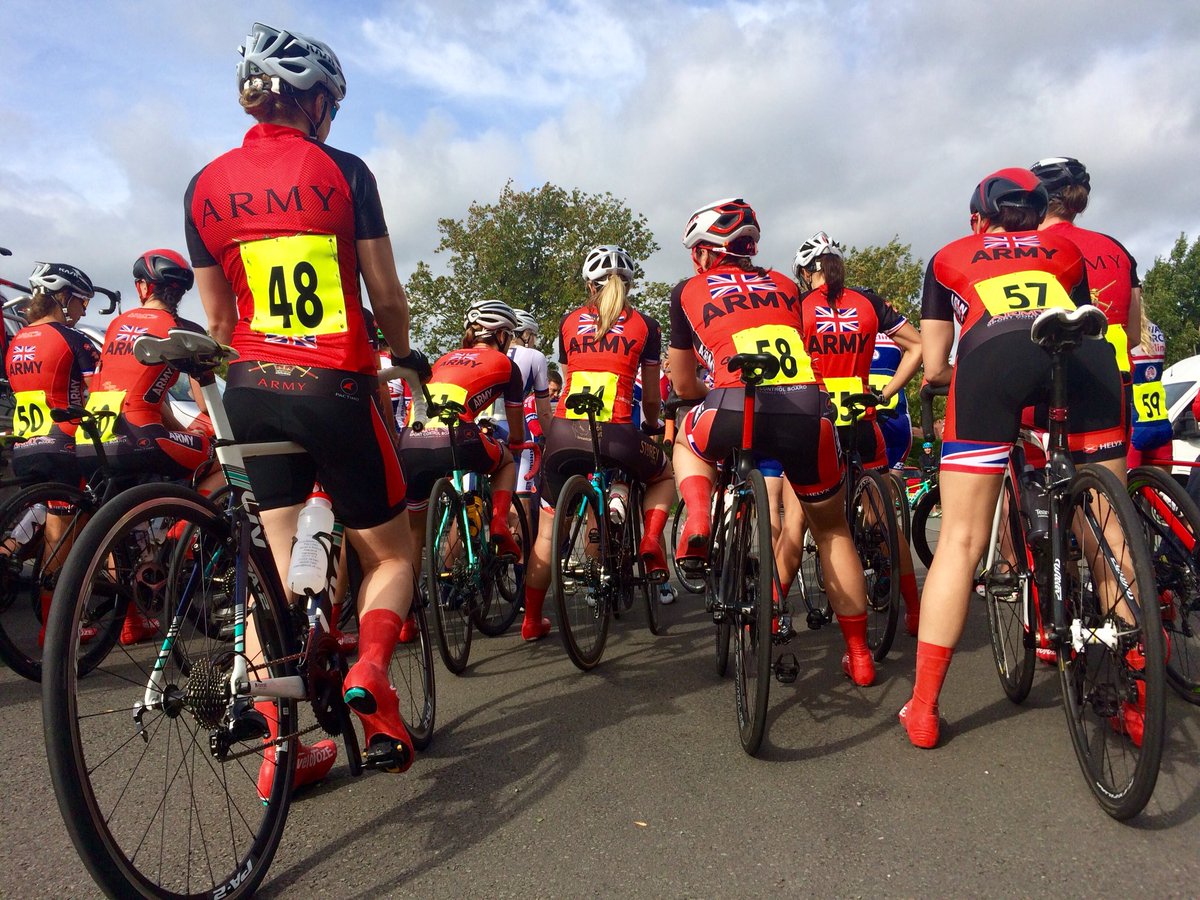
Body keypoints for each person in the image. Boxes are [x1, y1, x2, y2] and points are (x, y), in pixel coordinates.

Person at [186, 22, 430, 795]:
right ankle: (372, 676)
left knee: (281, 576)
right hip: (334, 384)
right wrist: (405, 353)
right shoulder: (344, 170)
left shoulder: (203, 185)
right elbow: (385, 295)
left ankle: (278, 754)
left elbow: (219, 324)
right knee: (390, 553)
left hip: (254, 388)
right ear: (315, 101)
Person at [908, 168, 1126, 749]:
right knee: (1111, 531)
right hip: (1083, 359)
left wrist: (972, 387)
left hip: (989, 359)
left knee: (959, 540)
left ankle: (924, 709)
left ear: (980, 219)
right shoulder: (1063, 248)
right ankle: (1136, 701)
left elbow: (933, 366)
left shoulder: (950, 254)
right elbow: (1071, 327)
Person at [668, 199, 876, 685]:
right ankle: (860, 656)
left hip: (731, 406)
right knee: (831, 532)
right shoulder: (785, 284)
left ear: (704, 254)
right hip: (806, 411)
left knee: (685, 439)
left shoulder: (687, 290)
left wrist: (710, 391)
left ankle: (698, 518)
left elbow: (681, 387)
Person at [519, 245, 675, 640]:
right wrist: (653, 427)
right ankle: (651, 540)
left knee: (547, 533)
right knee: (663, 474)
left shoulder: (569, 321)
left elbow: (569, 378)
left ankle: (531, 620)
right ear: (630, 285)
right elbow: (653, 397)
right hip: (618, 434)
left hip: (566, 433)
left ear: (589, 284)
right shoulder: (646, 326)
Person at [791, 231, 923, 635]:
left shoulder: (798, 306)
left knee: (798, 522)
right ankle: (916, 613)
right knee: (884, 521)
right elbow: (917, 347)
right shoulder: (867, 301)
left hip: (819, 418)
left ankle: (773, 616)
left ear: (803, 272)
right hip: (863, 415)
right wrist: (886, 391)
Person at [5, 263, 100, 646]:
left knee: (49, 522)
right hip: (65, 444)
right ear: (62, 298)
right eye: (80, 302)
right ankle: (57, 626)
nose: (83, 311)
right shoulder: (73, 339)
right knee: (64, 534)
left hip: (26, 446)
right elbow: (99, 394)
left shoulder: (17, 342)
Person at [397, 299, 527, 567]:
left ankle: (411, 608)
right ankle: (501, 523)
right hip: (458, 437)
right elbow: (516, 433)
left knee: (413, 534)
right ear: (501, 335)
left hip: (410, 440)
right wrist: (514, 444)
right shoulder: (505, 363)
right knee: (505, 462)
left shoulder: (444, 358)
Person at [1032, 157, 1141, 380]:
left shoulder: (1027, 249)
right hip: (1113, 385)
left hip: (1051, 387)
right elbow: (1135, 335)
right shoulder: (1116, 248)